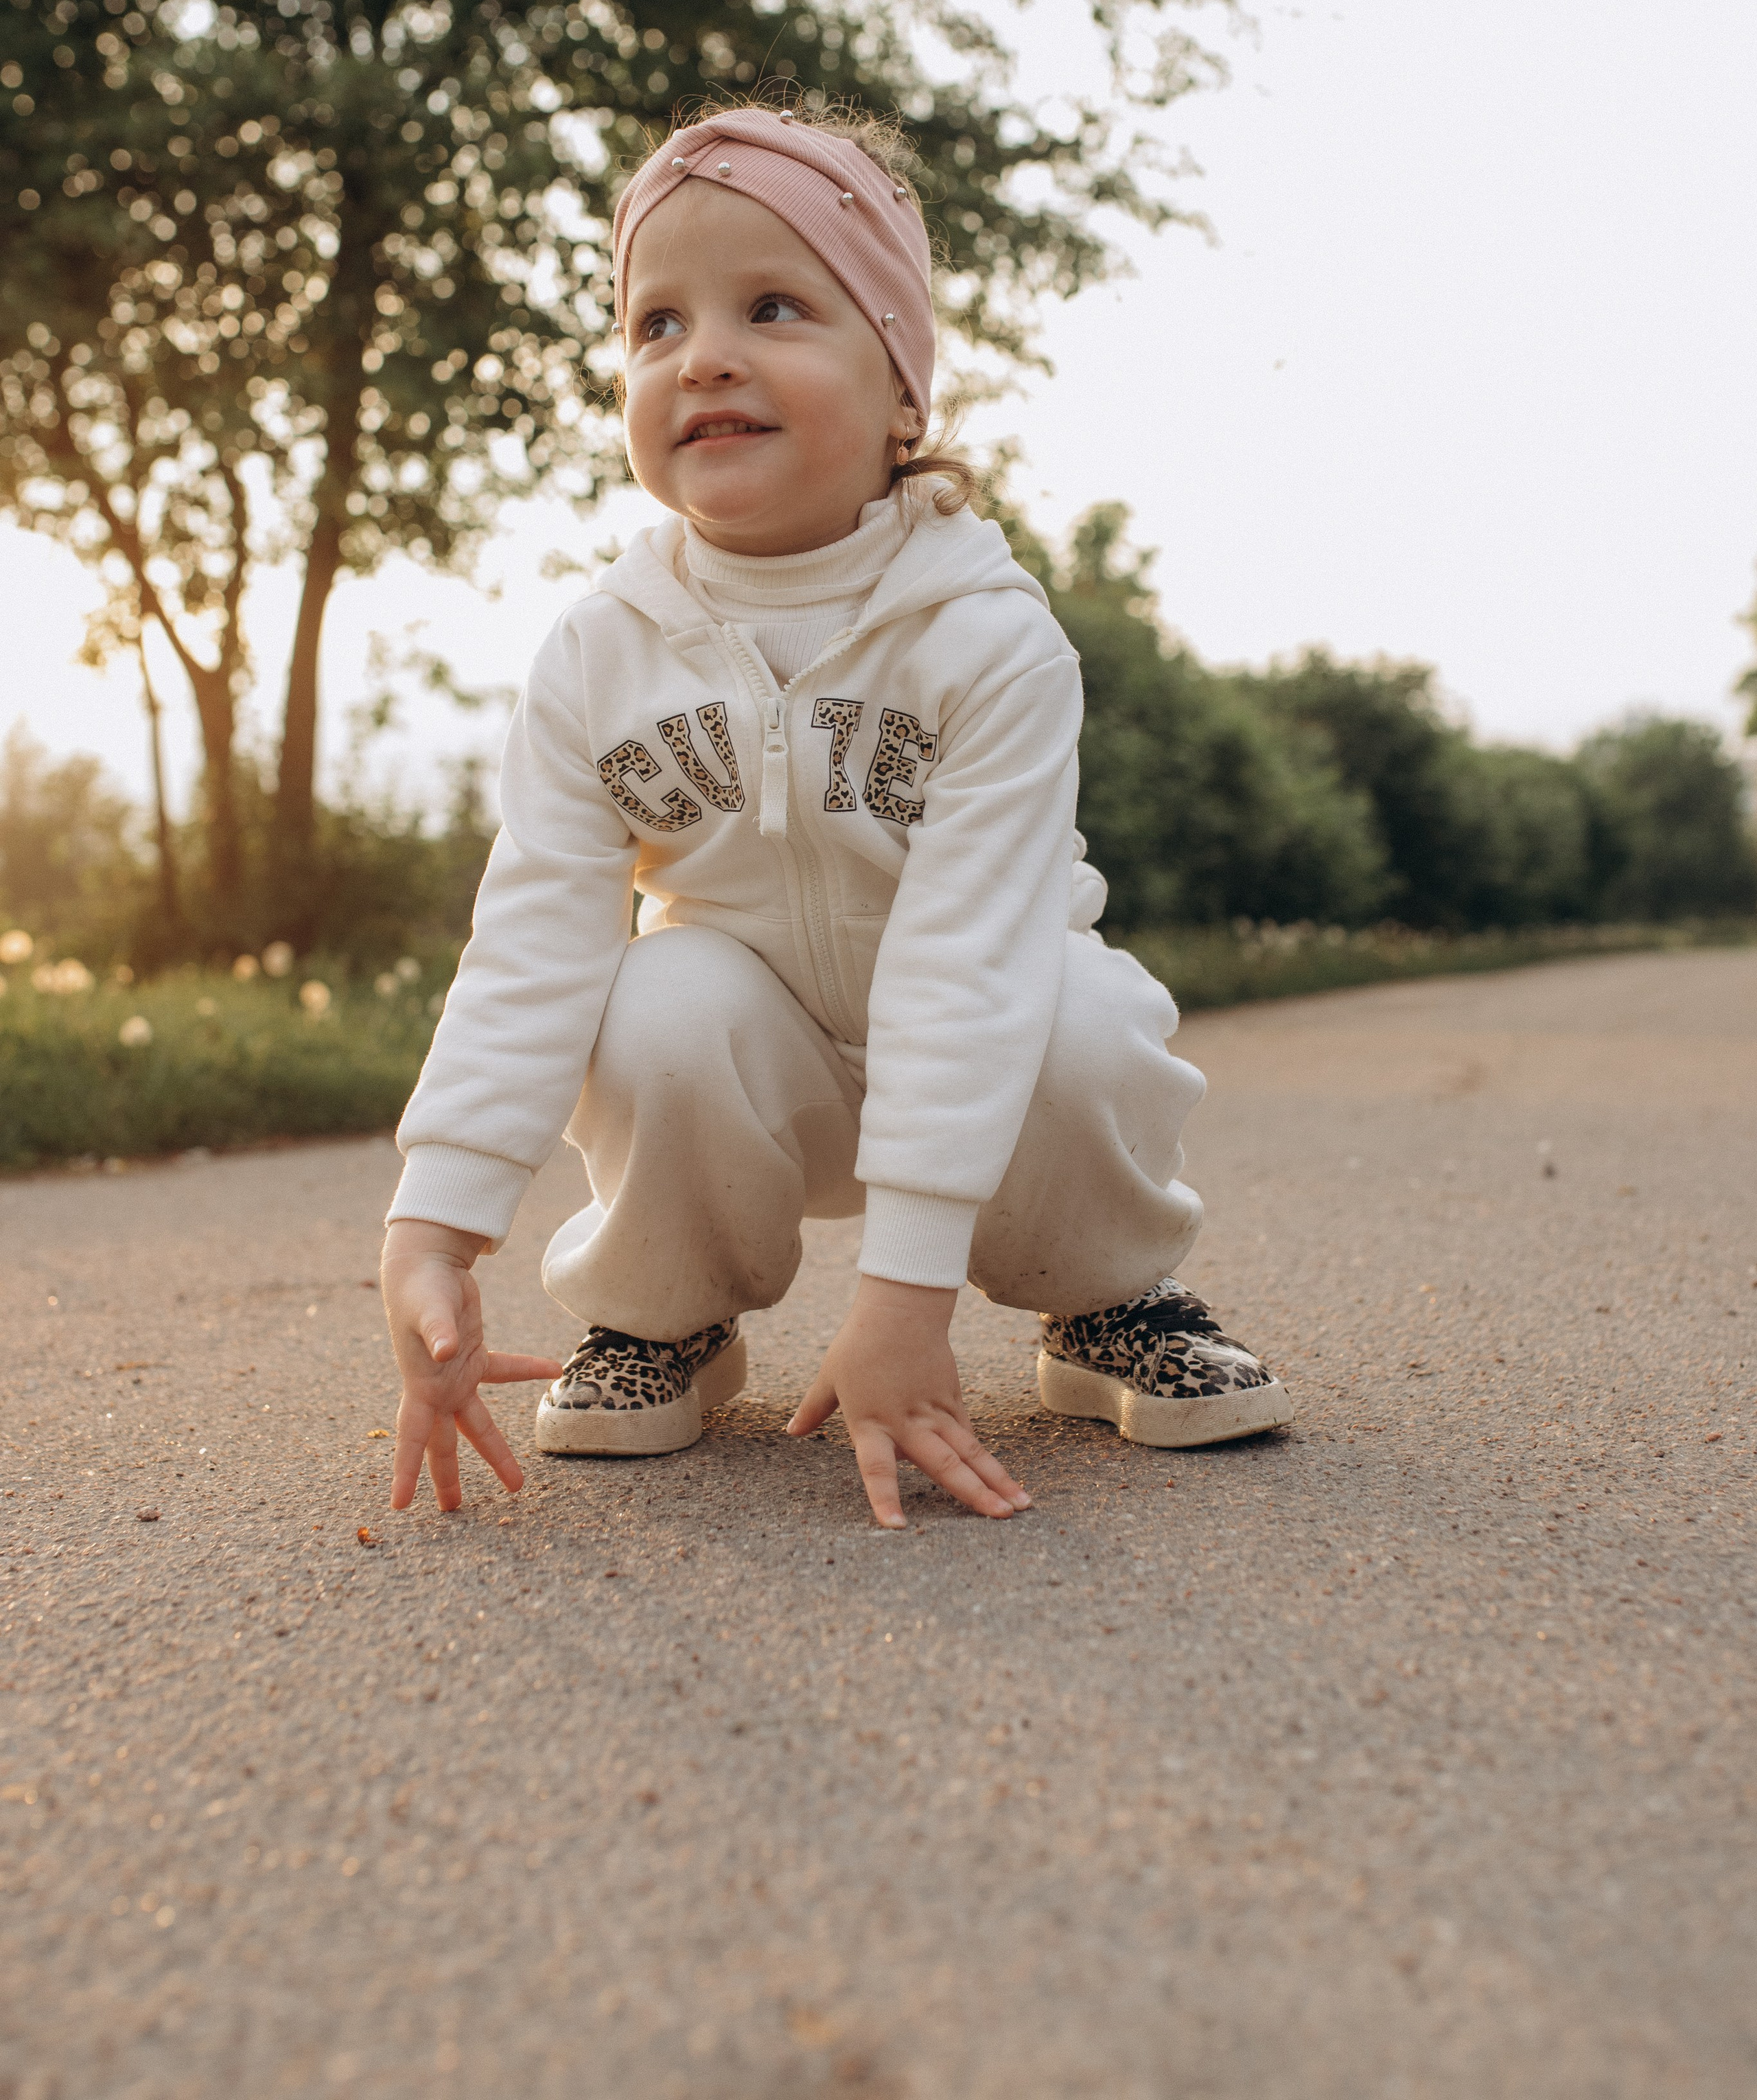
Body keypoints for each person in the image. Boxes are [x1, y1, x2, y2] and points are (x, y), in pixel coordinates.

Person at [379, 100, 1292, 1530]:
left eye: (774, 305)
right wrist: (432, 1224)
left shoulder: (986, 638)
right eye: (655, 324)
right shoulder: (600, 652)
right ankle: (660, 1317)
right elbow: (532, 943)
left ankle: (1108, 1302)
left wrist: (904, 1300)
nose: (706, 354)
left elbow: (964, 963)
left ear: (901, 389)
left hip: (993, 1044)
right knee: (652, 997)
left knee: (1071, 1011)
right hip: (763, 1070)